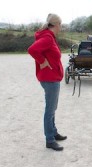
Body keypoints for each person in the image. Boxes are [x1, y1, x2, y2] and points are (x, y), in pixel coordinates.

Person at [28, 13, 67, 151]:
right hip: (49, 79)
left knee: (52, 108)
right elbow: (32, 50)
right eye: (60, 25)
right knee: (50, 110)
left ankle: (53, 132)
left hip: (52, 78)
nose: (61, 27)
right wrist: (43, 62)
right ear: (55, 25)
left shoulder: (49, 37)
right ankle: (49, 140)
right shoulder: (47, 38)